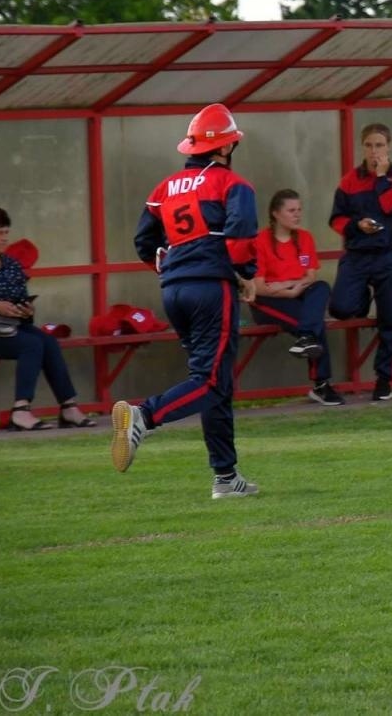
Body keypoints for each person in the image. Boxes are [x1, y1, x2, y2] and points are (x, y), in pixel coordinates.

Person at [111, 103, 261, 499]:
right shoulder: (233, 185)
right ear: (226, 149)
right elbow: (241, 235)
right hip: (212, 288)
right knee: (211, 382)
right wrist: (246, 274)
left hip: (174, 290)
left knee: (214, 381)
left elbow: (145, 244)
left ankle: (226, 478)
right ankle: (144, 416)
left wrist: (172, 269)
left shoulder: (163, 189)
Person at [0, 207, 94, 431]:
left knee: (48, 341)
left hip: (7, 326)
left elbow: (19, 298)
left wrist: (25, 310)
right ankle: (20, 411)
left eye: (6, 233)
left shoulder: (11, 264)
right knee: (30, 344)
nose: (4, 238)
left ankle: (68, 407)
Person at [328, 123, 392, 401]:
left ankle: (383, 380)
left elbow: (390, 207)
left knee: (391, 320)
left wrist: (383, 177)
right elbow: (335, 220)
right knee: (340, 307)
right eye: (369, 145)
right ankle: (362, 297)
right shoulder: (349, 181)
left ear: (389, 147)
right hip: (358, 255)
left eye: (379, 145)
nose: (374, 151)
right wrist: (356, 225)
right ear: (362, 147)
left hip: (390, 256)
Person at [250, 189, 343, 406]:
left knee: (321, 287)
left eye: (299, 210)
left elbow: (311, 276)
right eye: (291, 210)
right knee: (314, 323)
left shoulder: (305, 238)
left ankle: (306, 337)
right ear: (275, 214)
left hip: (298, 296)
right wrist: (288, 289)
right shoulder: (260, 241)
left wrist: (288, 286)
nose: (297, 215)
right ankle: (321, 385)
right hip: (269, 302)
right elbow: (260, 288)